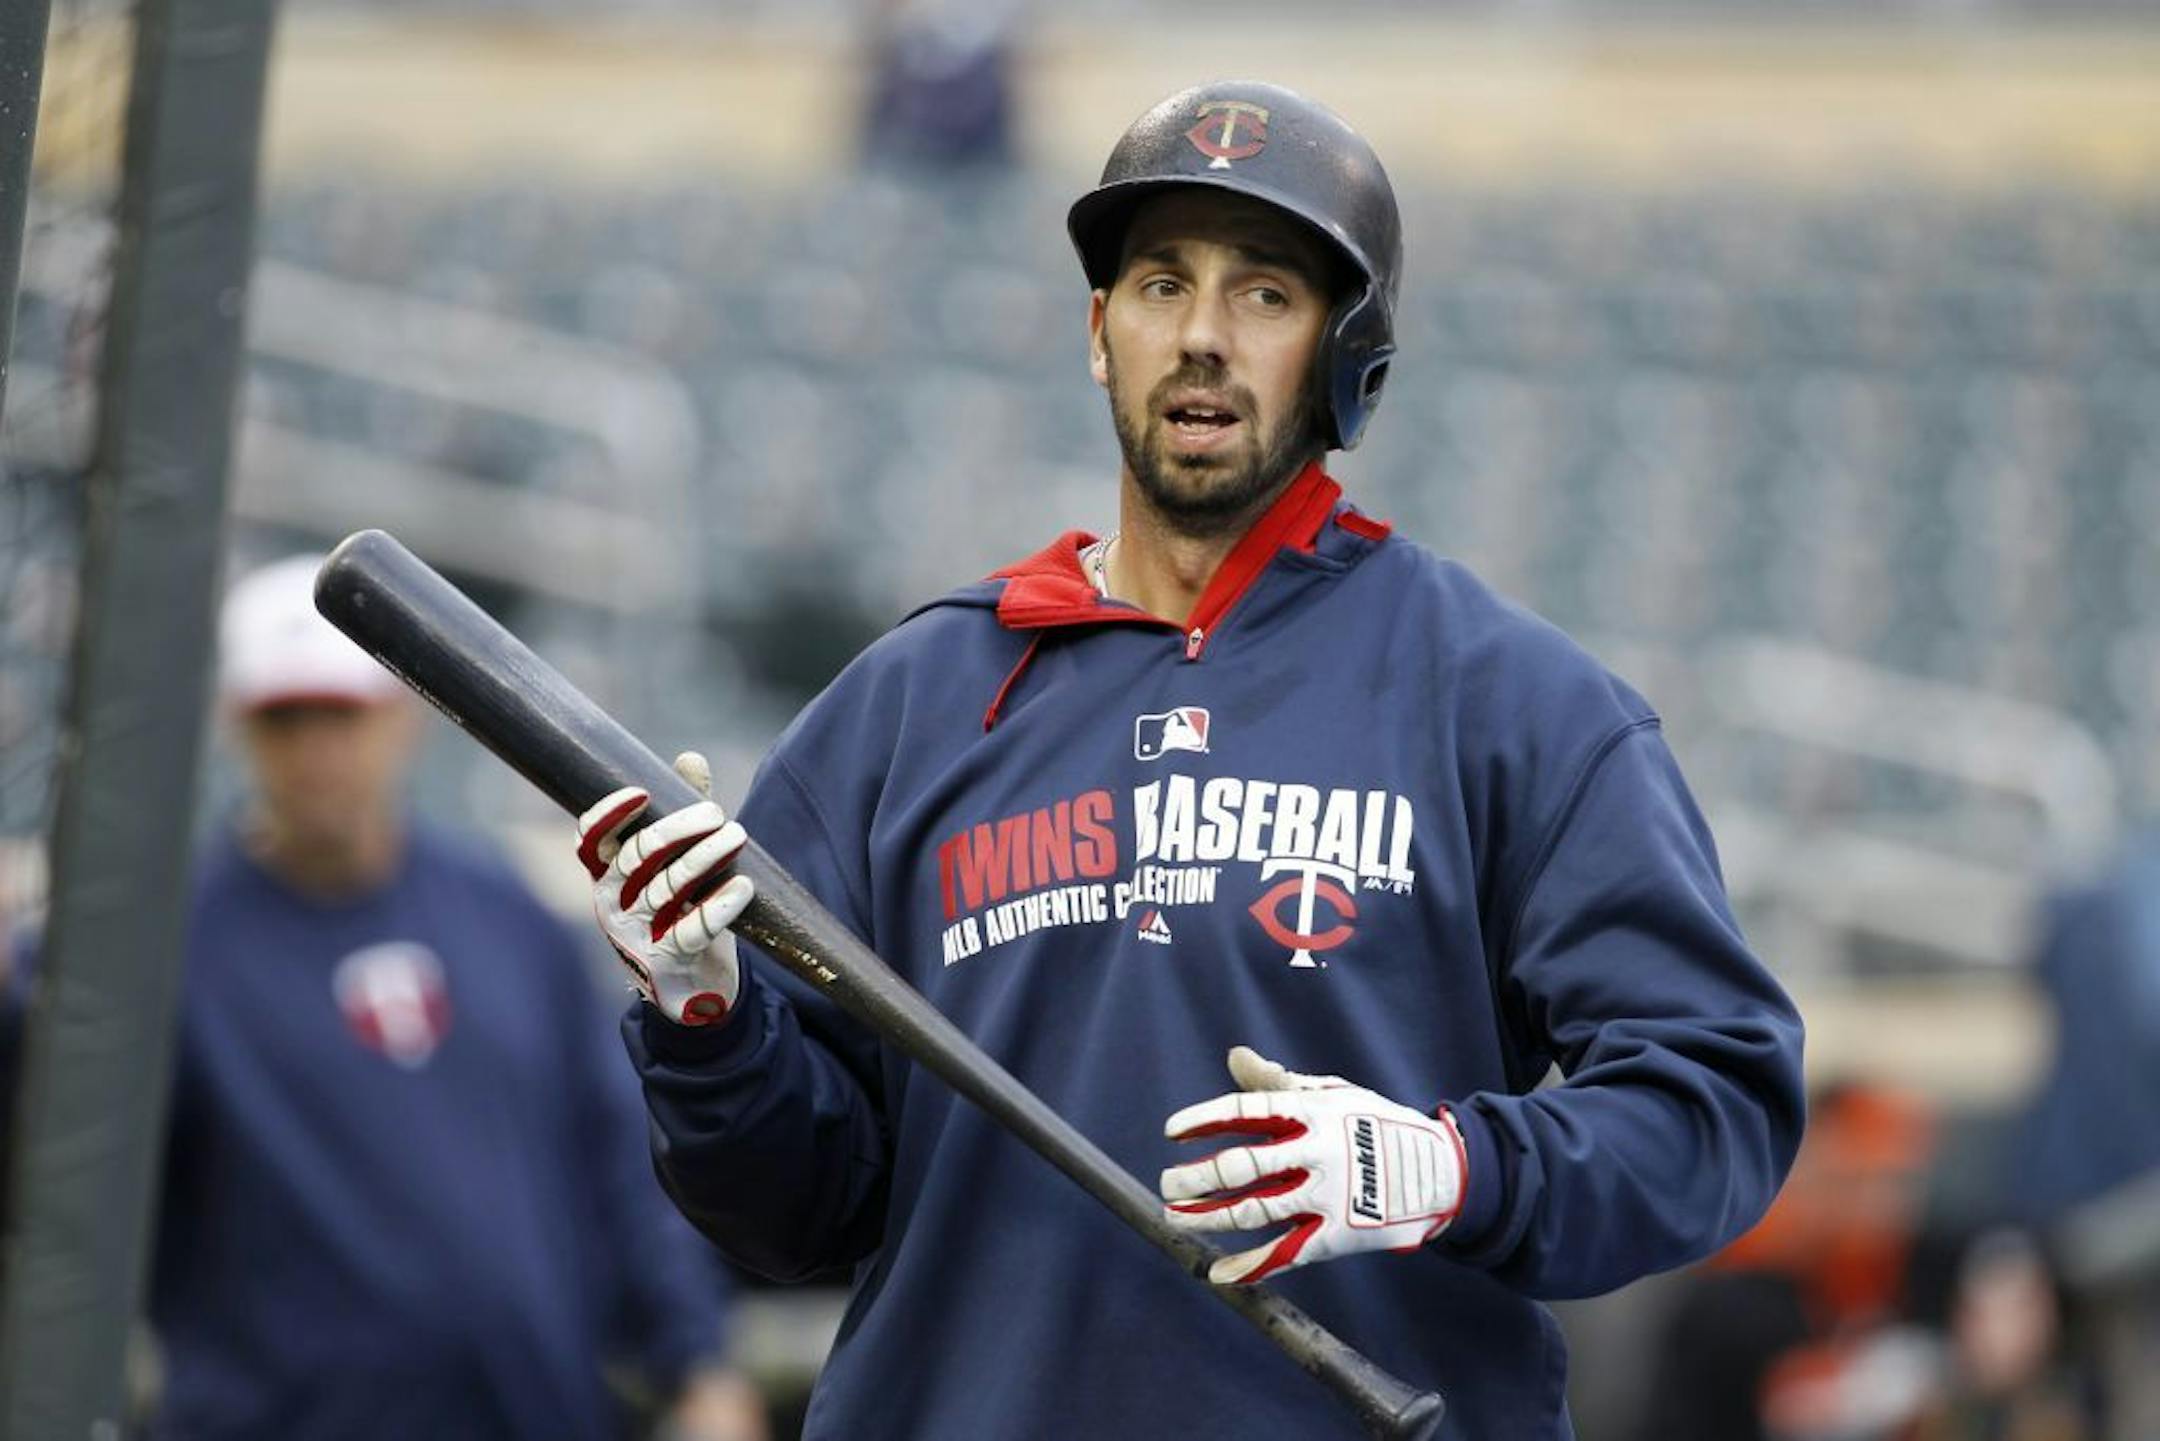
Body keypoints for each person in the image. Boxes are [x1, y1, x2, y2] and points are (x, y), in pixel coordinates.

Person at [579, 82, 1806, 1438]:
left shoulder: (1511, 704)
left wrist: (1452, 1166)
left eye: (1266, 294)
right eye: (1162, 284)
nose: (1204, 337)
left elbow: (1717, 1104)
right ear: (1100, 334)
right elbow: (798, 1214)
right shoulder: (903, 711)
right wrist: (706, 1020)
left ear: (1349, 358)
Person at [5, 554, 769, 1441]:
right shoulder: (167, 948)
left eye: (340, 712)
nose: (318, 749)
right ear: (237, 727)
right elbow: (53, 1166)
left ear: (405, 717)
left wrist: (700, 1364)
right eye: (285, 718)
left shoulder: (509, 916)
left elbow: (619, 1167)